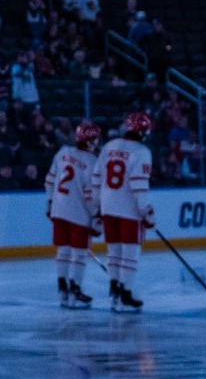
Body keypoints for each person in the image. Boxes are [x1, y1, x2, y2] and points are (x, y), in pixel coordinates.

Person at [92, 112, 156, 311]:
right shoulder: (142, 151)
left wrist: (96, 206)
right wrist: (146, 211)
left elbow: (96, 178)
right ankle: (126, 292)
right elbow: (138, 184)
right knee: (130, 252)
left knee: (114, 250)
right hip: (128, 209)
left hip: (108, 206)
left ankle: (114, 290)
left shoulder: (109, 146)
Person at [45, 120, 101, 307]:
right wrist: (96, 215)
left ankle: (62, 288)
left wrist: (50, 202)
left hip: (59, 210)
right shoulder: (92, 162)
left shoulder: (62, 153)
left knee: (63, 250)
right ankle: (75, 289)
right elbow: (90, 196)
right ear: (91, 141)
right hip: (78, 214)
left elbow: (49, 181)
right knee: (78, 254)